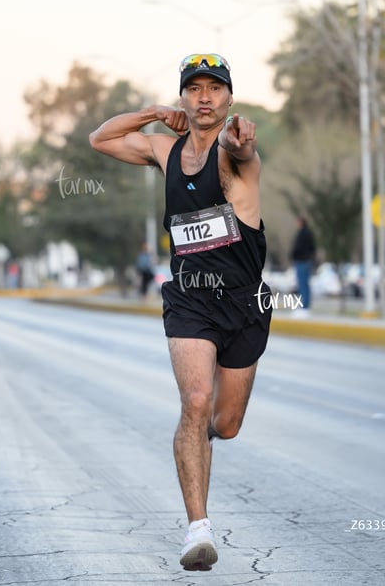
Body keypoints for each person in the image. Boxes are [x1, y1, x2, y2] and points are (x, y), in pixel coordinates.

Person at [89, 53, 272, 570]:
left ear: (230, 98)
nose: (205, 97)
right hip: (190, 299)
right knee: (194, 401)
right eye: (195, 89)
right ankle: (198, 529)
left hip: (244, 303)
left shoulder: (239, 154)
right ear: (184, 98)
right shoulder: (166, 153)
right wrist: (149, 113)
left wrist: (239, 140)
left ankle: (199, 438)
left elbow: (240, 146)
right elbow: (100, 139)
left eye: (215, 88)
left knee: (225, 423)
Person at [290, 215, 316, 315]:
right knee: (305, 284)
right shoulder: (309, 233)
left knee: (302, 284)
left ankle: (304, 305)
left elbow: (298, 247)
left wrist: (293, 255)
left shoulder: (302, 234)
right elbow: (313, 248)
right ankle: (305, 304)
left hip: (302, 261)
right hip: (307, 261)